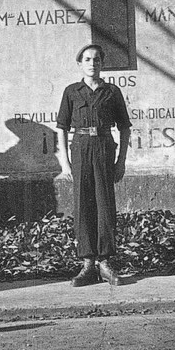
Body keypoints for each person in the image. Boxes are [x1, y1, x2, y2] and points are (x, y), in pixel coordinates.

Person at [56, 44, 131, 286]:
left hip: (104, 146)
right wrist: (65, 163)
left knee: (105, 203)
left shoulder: (111, 91)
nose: (92, 63)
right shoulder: (71, 91)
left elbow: (124, 127)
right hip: (80, 147)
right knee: (82, 204)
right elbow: (62, 127)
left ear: (102, 63)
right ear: (80, 64)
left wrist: (121, 161)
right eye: (87, 59)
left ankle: (105, 262)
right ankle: (87, 262)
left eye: (97, 59)